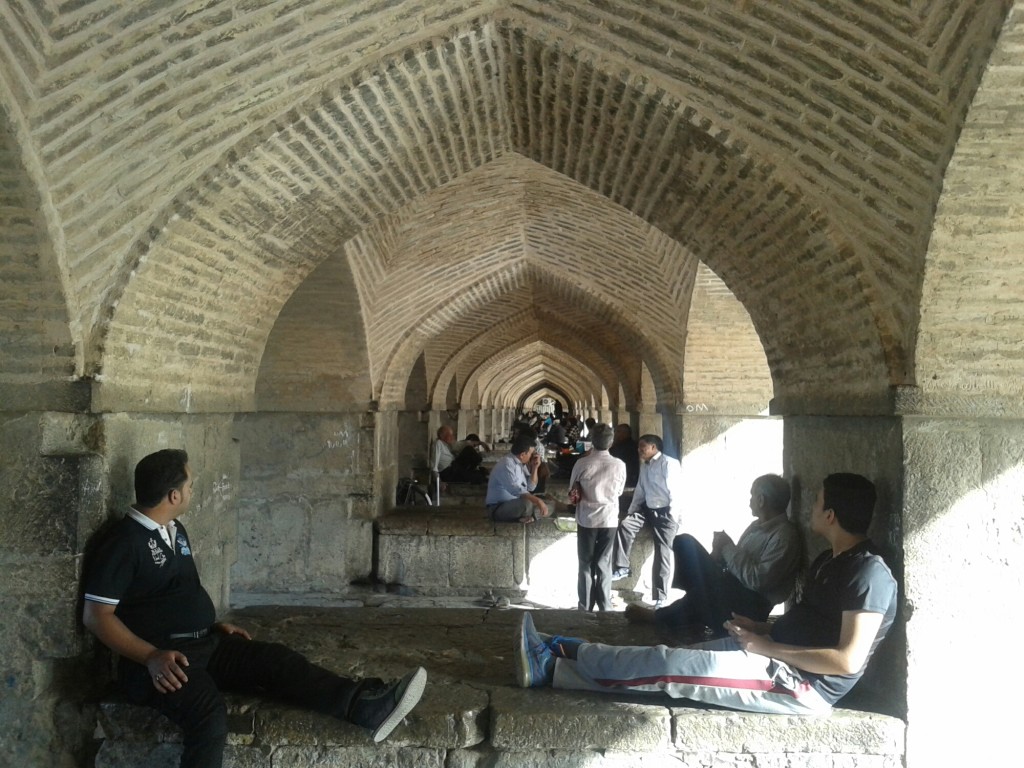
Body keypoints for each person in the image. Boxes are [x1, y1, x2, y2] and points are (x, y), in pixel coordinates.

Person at [81, 449, 427, 768]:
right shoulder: (122, 543)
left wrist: (210, 626)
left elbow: (174, 596)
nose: (192, 491)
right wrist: (151, 656)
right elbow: (97, 617)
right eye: (189, 485)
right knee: (208, 716)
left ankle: (362, 706)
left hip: (204, 644)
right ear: (173, 496)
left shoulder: (174, 529)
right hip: (162, 662)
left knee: (277, 661)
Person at [516, 473, 898, 717]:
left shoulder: (868, 572)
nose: (811, 508)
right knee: (667, 657)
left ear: (830, 515)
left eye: (817, 502)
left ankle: (553, 669)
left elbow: (848, 660)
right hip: (772, 653)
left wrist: (767, 647)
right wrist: (762, 627)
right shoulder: (830, 561)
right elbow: (818, 624)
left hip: (798, 685)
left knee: (667, 673)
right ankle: (566, 648)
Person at [627, 474, 802, 637]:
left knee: (709, 588)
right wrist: (718, 554)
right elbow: (736, 563)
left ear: (761, 500)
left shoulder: (784, 536)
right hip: (733, 588)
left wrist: (727, 548)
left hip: (750, 605)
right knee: (684, 544)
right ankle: (693, 612)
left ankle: (660, 617)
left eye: (752, 495)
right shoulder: (756, 527)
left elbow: (758, 581)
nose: (749, 501)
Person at [611, 434, 684, 607]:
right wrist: (631, 511)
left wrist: (672, 517)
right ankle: (622, 567)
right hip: (647, 508)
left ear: (653, 447)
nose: (639, 451)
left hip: (665, 511)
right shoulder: (645, 465)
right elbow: (640, 490)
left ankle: (661, 596)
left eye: (642, 447)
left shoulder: (669, 464)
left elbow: (676, 491)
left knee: (663, 553)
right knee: (625, 526)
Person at [568, 424, 627, 611]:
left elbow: (572, 490)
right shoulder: (619, 465)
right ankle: (605, 606)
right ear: (610, 443)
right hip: (609, 519)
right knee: (604, 562)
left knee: (585, 563)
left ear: (592, 441)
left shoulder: (582, 463)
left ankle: (584, 605)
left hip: (587, 518)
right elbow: (618, 491)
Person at [485, 433, 549, 522]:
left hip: (513, 504)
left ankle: (527, 517)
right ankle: (529, 517)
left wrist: (535, 468)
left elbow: (531, 487)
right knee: (527, 503)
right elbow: (515, 490)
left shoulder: (520, 464)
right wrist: (538, 501)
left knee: (546, 503)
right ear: (523, 454)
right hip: (498, 508)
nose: (532, 456)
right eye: (530, 453)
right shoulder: (507, 464)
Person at [608, 424, 640, 488]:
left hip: (625, 478)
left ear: (625, 433)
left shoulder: (626, 446)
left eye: (618, 432)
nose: (616, 434)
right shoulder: (621, 444)